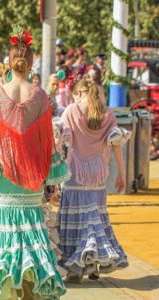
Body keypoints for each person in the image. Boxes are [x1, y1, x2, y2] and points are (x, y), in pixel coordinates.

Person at [0, 26, 69, 300]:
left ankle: (5, 290)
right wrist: (48, 180)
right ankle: (31, 291)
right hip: (32, 177)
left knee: (4, 238)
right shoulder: (42, 96)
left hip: (3, 175)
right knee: (32, 238)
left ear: (8, 63)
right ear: (32, 63)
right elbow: (47, 142)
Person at [56, 77, 131, 283]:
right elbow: (116, 146)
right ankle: (93, 263)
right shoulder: (108, 114)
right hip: (98, 174)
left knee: (76, 221)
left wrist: (52, 172)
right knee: (95, 217)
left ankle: (75, 269)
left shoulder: (71, 110)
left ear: (79, 93)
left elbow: (58, 141)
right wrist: (122, 175)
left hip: (75, 173)